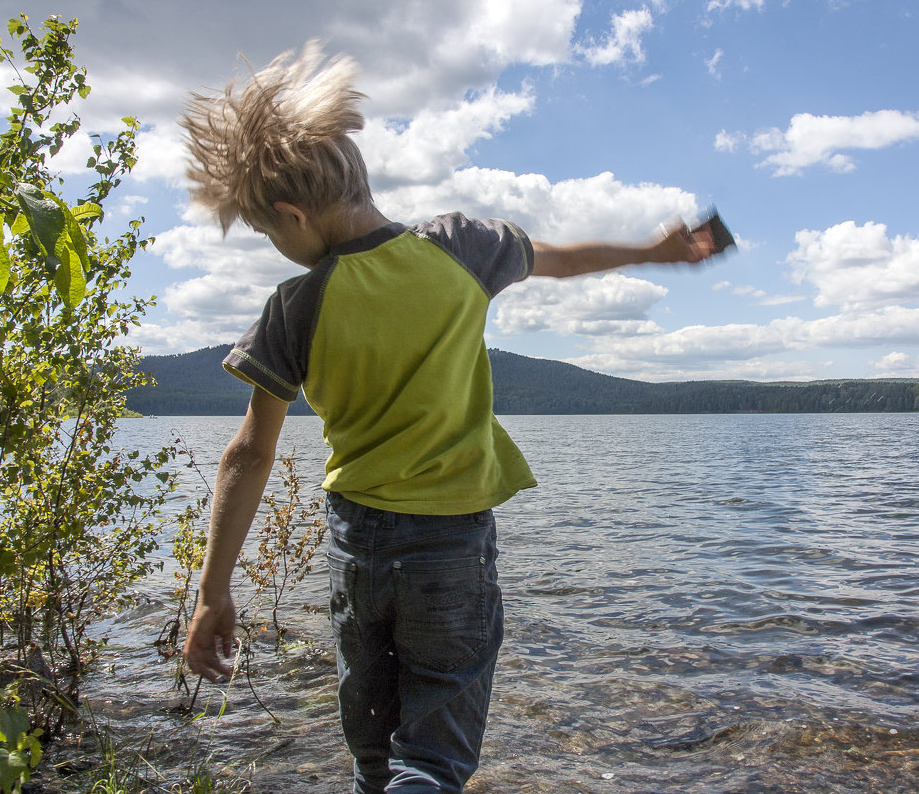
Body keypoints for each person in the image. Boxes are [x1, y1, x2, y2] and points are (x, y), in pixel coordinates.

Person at [180, 41, 727, 794]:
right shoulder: (462, 248)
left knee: (373, 756)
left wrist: (214, 589)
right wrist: (656, 253)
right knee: (431, 761)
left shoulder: (295, 306)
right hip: (451, 545)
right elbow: (560, 259)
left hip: (358, 546)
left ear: (292, 213)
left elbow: (248, 453)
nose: (279, 246)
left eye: (269, 233)